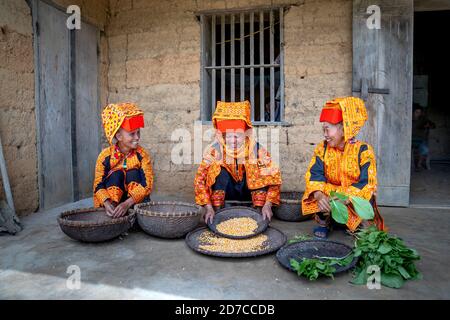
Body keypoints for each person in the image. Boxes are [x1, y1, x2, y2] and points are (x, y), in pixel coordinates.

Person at [301, 97, 385, 238]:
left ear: (344, 129)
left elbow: (367, 182)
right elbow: (315, 174)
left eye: (328, 129)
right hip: (332, 194)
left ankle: (358, 223)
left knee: (368, 192)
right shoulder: (323, 148)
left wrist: (345, 198)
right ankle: (324, 222)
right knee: (314, 189)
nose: (325, 135)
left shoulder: (364, 150)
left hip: (350, 196)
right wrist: (320, 195)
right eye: (323, 130)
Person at [194, 101, 282, 223]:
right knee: (218, 169)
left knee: (256, 167)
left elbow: (275, 179)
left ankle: (258, 209)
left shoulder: (257, 150)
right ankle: (218, 210)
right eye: (229, 136)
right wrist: (208, 207)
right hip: (226, 195)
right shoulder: (215, 151)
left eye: (237, 136)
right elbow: (200, 180)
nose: (232, 141)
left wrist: (268, 204)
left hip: (249, 195)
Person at [93, 102, 153, 218]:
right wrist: (106, 203)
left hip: (134, 204)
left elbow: (147, 184)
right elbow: (98, 185)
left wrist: (126, 204)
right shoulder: (105, 156)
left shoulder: (142, 155)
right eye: (132, 134)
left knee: (132, 173)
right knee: (116, 174)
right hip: (113, 206)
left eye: (138, 132)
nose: (137, 137)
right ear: (119, 136)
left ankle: (134, 216)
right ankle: (113, 213)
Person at [412, 105, 435, 171]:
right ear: (413, 112)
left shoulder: (423, 119)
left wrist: (428, 125)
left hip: (420, 140)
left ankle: (419, 165)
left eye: (419, 112)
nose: (418, 114)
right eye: (416, 112)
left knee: (425, 150)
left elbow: (433, 125)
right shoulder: (409, 118)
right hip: (409, 140)